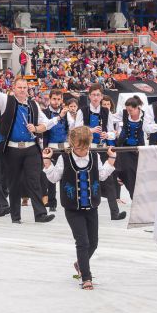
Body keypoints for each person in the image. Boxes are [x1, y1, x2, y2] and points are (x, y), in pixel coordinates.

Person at [43, 126, 117, 290]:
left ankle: (80, 263)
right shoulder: (64, 159)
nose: (82, 151)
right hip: (72, 209)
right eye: (78, 148)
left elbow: (102, 174)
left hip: (92, 207)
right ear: (72, 144)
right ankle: (86, 276)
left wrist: (111, 159)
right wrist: (47, 161)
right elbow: (54, 178)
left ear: (89, 144)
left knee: (94, 243)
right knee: (82, 242)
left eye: (85, 147)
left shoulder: (95, 157)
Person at [0, 54, 56, 224]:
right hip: (12, 149)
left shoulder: (33, 105)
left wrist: (36, 128)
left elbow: (45, 125)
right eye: (19, 87)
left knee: (34, 180)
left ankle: (40, 214)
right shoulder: (6, 101)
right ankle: (15, 216)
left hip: (31, 148)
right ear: (13, 88)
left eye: (25, 87)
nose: (22, 90)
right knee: (14, 183)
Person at [75, 84, 126, 221]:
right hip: (88, 149)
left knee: (109, 180)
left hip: (102, 148)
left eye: (98, 95)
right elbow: (76, 131)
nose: (96, 97)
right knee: (87, 179)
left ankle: (114, 213)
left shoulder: (106, 112)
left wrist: (107, 135)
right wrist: (90, 131)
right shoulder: (82, 111)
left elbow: (112, 133)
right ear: (89, 96)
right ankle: (85, 211)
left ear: (101, 96)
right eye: (93, 95)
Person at [41, 89, 69, 212]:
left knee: (66, 175)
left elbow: (70, 129)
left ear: (61, 100)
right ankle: (52, 203)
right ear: (49, 98)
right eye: (54, 99)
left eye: (58, 99)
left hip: (65, 147)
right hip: (51, 147)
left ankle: (67, 201)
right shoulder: (44, 113)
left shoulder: (67, 113)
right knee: (51, 175)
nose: (56, 101)